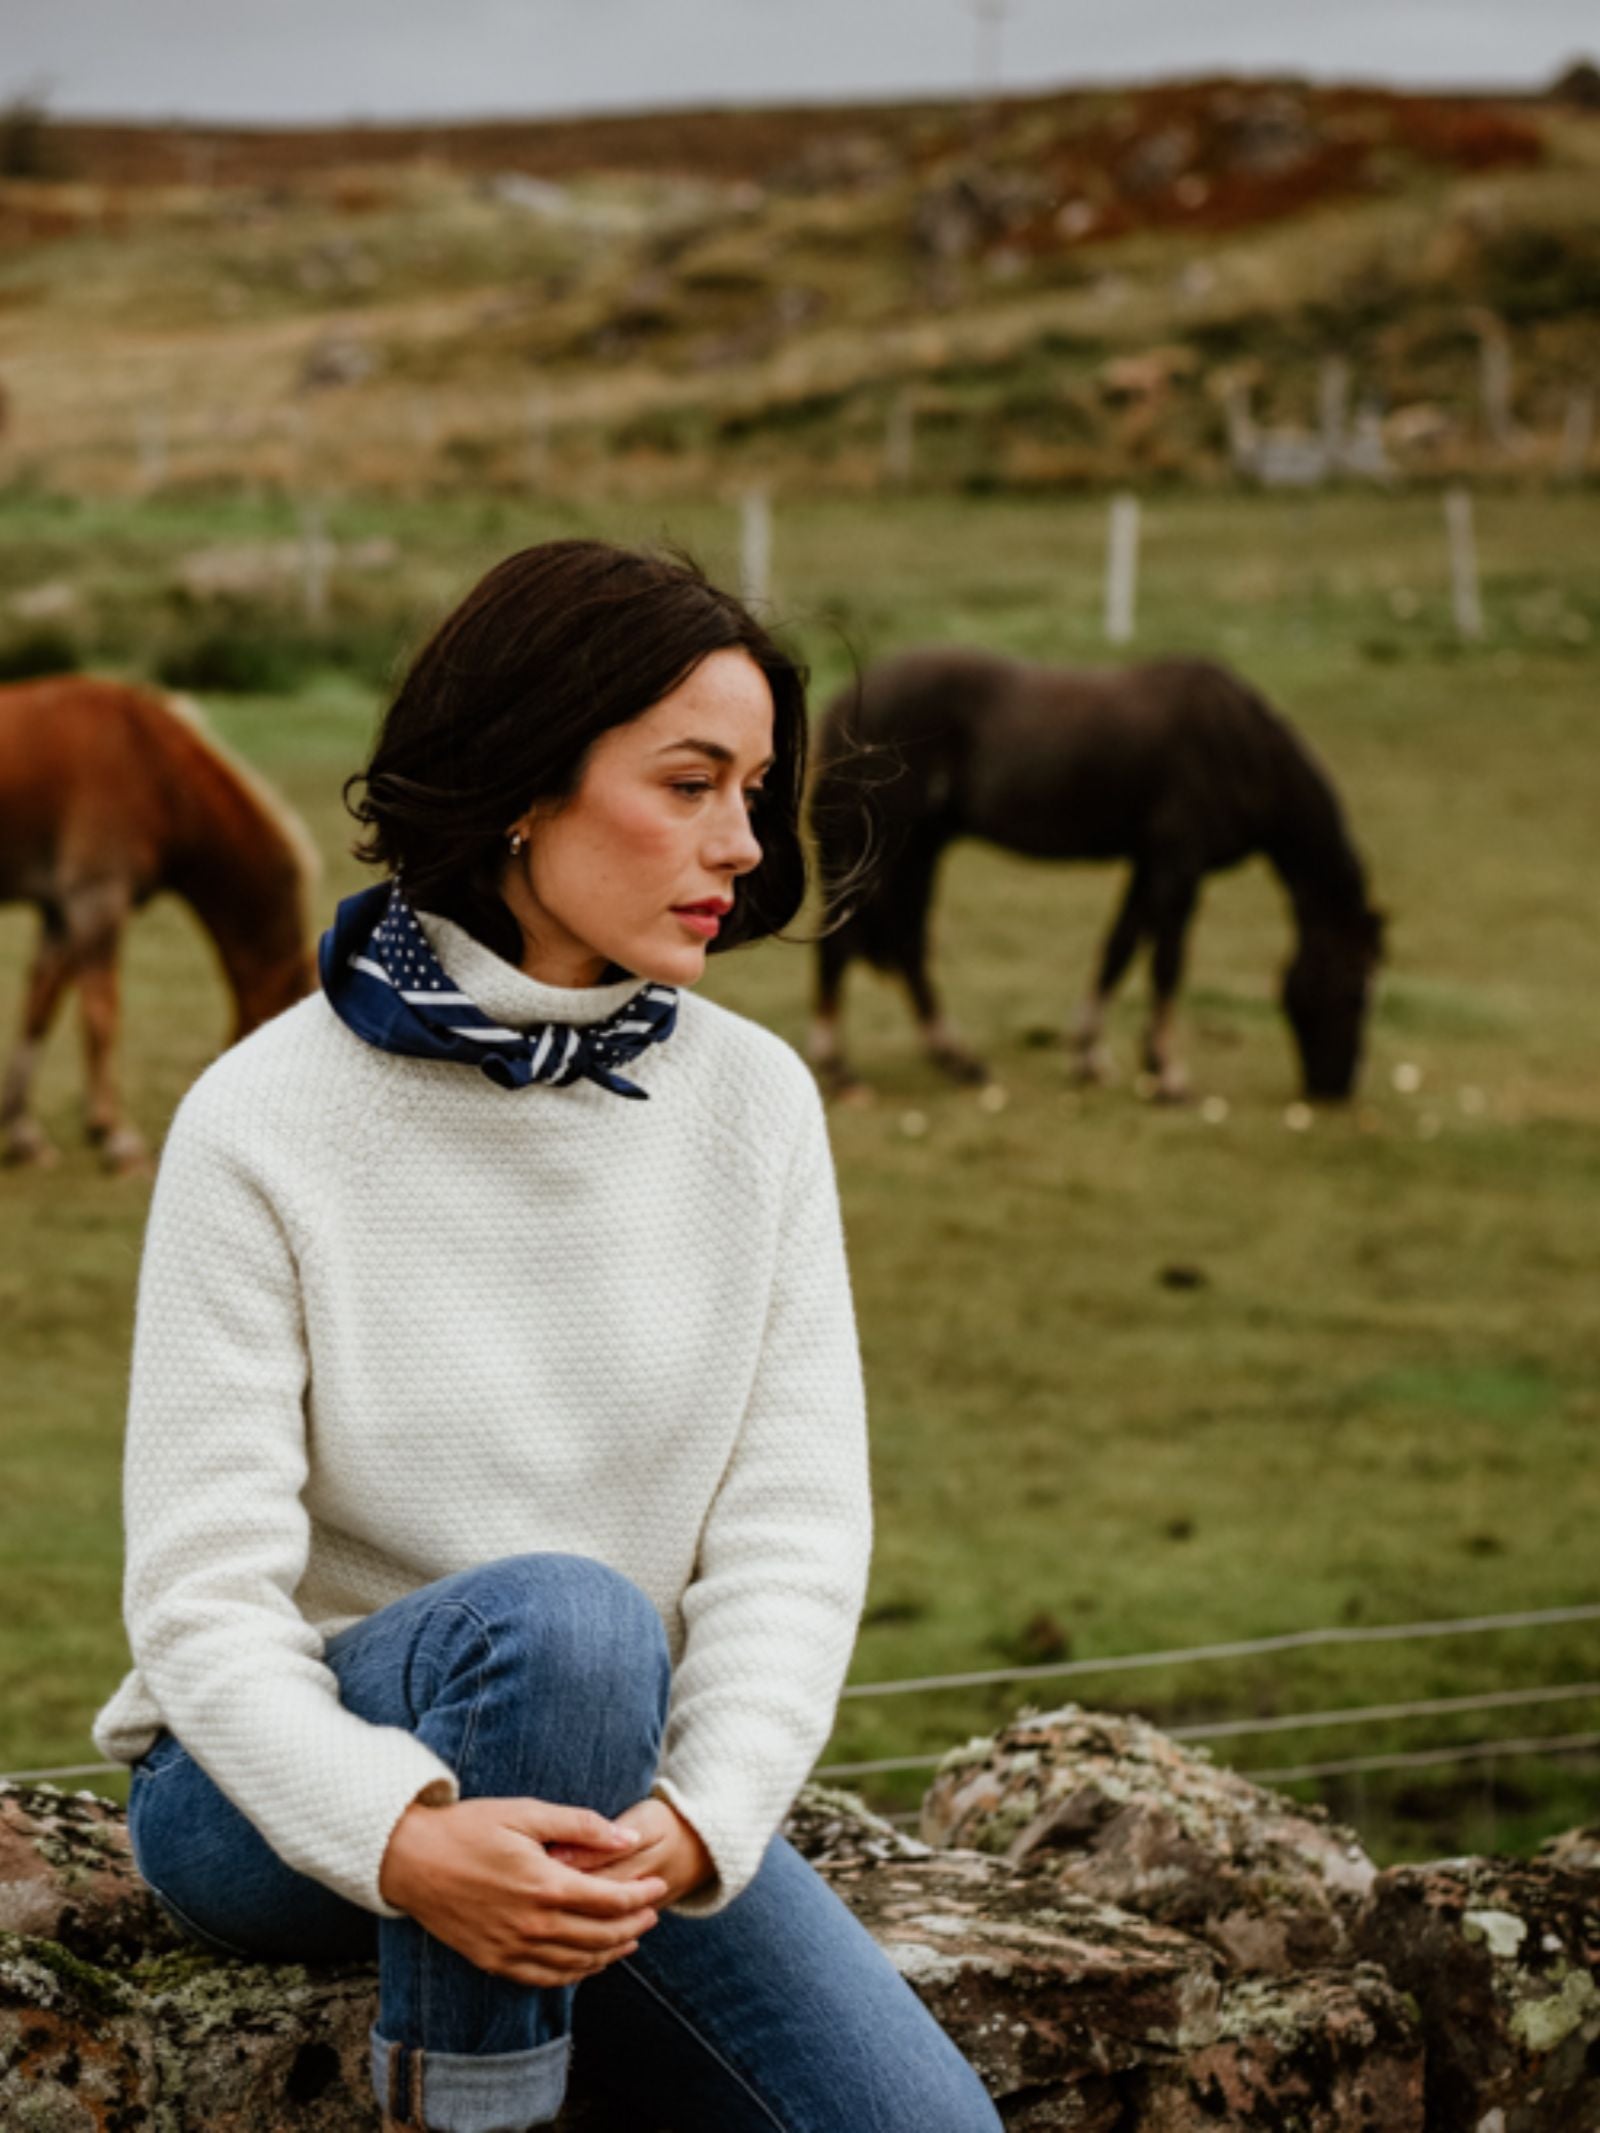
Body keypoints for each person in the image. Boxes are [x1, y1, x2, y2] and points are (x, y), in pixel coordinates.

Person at [93, 541, 1003, 2133]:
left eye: (756, 786)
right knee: (572, 1619)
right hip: (263, 1793)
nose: (739, 842)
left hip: (606, 1790)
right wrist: (400, 1835)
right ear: (526, 781)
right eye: (690, 781)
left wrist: (698, 1820)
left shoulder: (753, 1106)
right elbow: (198, 1600)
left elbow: (793, 1533)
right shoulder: (262, 1118)